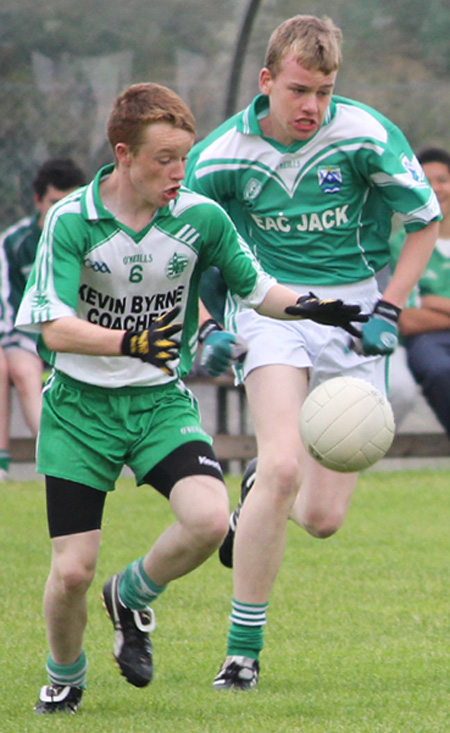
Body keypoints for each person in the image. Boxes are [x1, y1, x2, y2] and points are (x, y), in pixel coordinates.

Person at [15, 82, 366, 714]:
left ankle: (132, 594)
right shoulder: (71, 220)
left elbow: (258, 289)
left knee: (208, 521)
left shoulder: (201, 217)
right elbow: (51, 325)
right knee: (71, 572)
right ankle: (64, 676)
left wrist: (328, 309)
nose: (179, 173)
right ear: (123, 154)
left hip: (158, 405)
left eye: (184, 157)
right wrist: (133, 340)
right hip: (78, 409)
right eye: (163, 160)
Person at [185, 14, 441, 690]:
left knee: (323, 519)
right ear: (266, 79)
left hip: (352, 310)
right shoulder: (222, 154)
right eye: (299, 89)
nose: (312, 106)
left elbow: (423, 225)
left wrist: (389, 307)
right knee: (281, 465)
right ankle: (242, 652)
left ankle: (259, 496)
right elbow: (179, 245)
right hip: (273, 306)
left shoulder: (365, 133)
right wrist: (207, 323)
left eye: (324, 91)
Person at [0, 158, 85, 480]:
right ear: (38, 201)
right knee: (20, 368)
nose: (62, 210)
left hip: (81, 335)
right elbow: (8, 303)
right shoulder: (14, 241)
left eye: (70, 202)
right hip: (26, 338)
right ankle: (51, 453)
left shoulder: (89, 237)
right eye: (54, 203)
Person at [397, 147, 450, 435]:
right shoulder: (401, 243)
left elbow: (423, 307)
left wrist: (433, 302)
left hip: (433, 325)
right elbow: (408, 319)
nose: (436, 189)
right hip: (426, 340)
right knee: (441, 372)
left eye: (442, 179)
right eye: (426, 181)